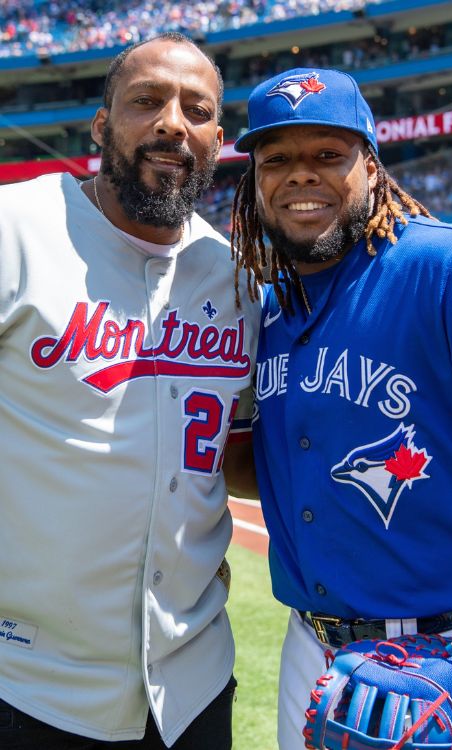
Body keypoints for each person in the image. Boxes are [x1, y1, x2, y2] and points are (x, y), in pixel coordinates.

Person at [0, 32, 260, 750]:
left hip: (194, 685)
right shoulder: (14, 229)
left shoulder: (236, 278)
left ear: (217, 138)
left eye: (197, 109)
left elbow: (241, 456)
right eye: (146, 101)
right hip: (30, 685)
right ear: (100, 125)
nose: (172, 122)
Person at [230, 67, 452, 749]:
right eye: (277, 160)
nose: (300, 176)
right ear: (253, 182)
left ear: (373, 169)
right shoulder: (265, 312)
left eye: (327, 155)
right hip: (313, 652)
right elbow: (279, 464)